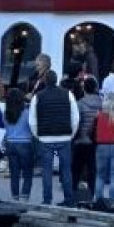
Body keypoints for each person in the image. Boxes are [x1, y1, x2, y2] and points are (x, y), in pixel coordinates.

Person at [31, 74, 79, 205]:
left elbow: (32, 120)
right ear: (56, 80)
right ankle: (69, 199)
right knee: (66, 169)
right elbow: (75, 117)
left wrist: (38, 135)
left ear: (45, 81)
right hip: (64, 137)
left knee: (47, 170)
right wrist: (71, 134)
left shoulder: (37, 96)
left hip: (45, 138)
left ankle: (47, 199)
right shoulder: (68, 94)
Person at [93, 90, 114, 208]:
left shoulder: (99, 114)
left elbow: (92, 130)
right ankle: (113, 199)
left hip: (101, 145)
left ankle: (98, 199)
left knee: (100, 174)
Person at [3, 86, 35, 200]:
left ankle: (15, 197)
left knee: (14, 173)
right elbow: (32, 126)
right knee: (27, 173)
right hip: (25, 143)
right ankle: (25, 196)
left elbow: (5, 127)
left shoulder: (6, 113)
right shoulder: (27, 112)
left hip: (10, 144)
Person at [72, 74, 101, 196]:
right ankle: (93, 193)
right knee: (92, 169)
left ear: (84, 89)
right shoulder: (102, 103)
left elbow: (76, 122)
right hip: (95, 141)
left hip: (80, 140)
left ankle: (73, 192)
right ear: (96, 88)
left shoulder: (79, 103)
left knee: (76, 169)